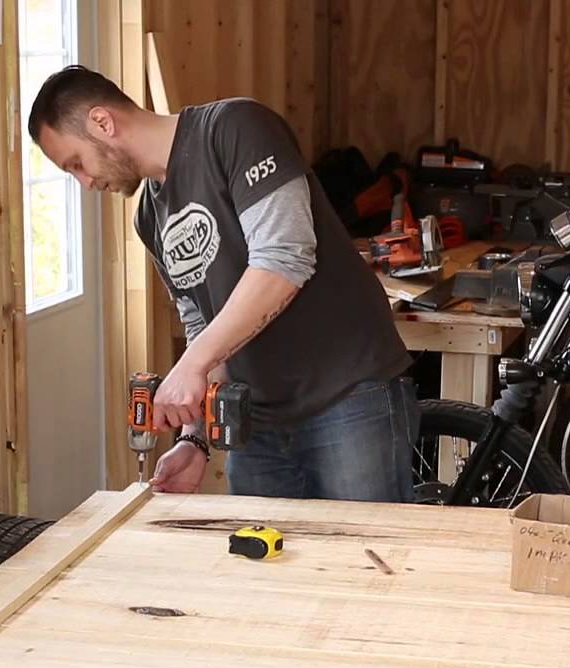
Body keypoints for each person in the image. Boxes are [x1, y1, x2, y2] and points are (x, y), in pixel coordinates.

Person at [27, 65, 418, 502]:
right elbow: (202, 322)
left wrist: (191, 365)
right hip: (256, 423)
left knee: (366, 561)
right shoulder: (149, 217)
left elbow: (284, 259)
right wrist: (194, 438)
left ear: (102, 122)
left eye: (76, 163)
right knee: (260, 566)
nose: (84, 183)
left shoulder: (235, 129)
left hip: (348, 396)